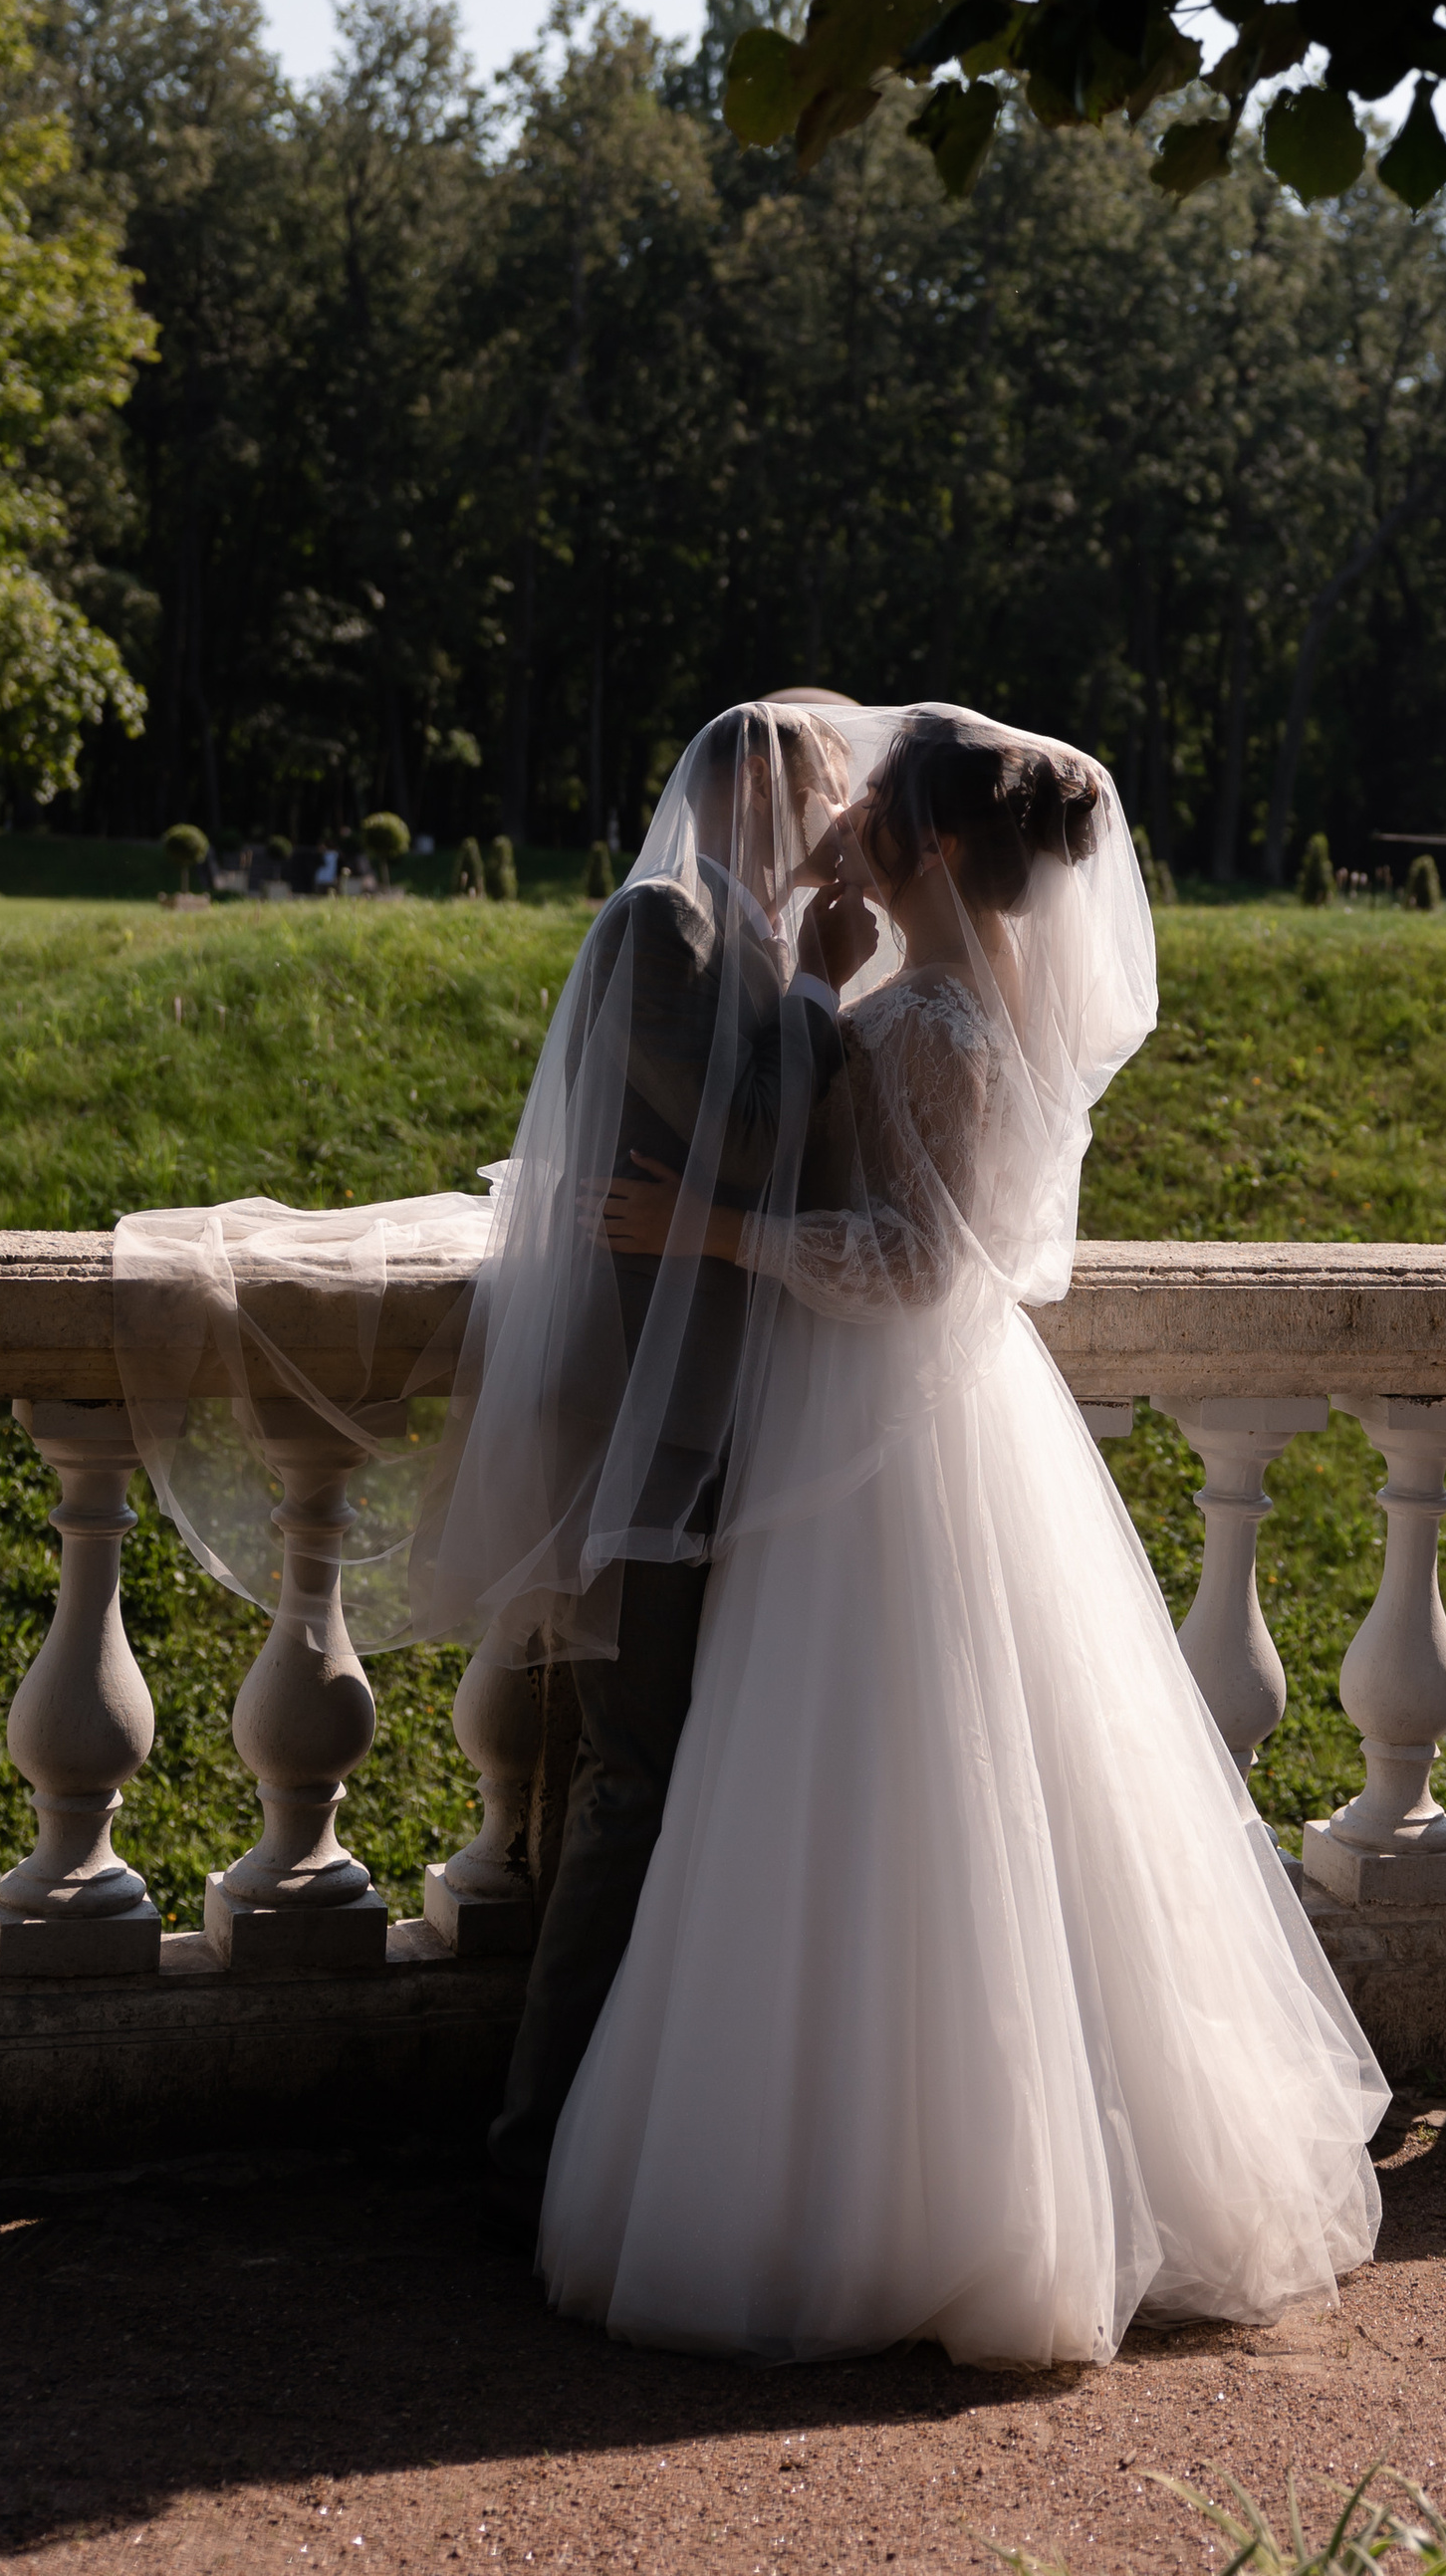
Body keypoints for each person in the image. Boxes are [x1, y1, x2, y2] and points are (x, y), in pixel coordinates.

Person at [539, 705, 1385, 2369]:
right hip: (888, 1427)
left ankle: (904, 2200)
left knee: (892, 1780)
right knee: (889, 1785)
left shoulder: (933, 1018)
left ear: (927, 844)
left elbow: (915, 1266)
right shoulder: (929, 996)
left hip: (884, 1437)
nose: (837, 806)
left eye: (870, 799)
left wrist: (707, 1225)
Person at [414, 700, 875, 2211]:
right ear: (756, 784)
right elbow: (742, 1148)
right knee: (629, 1783)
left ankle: (634, 2132)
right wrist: (818, 1000)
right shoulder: (662, 931)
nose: (838, 809)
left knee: (672, 1780)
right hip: (647, 1426)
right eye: (822, 783)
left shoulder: (726, 929)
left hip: (725, 1417)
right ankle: (535, 2148)